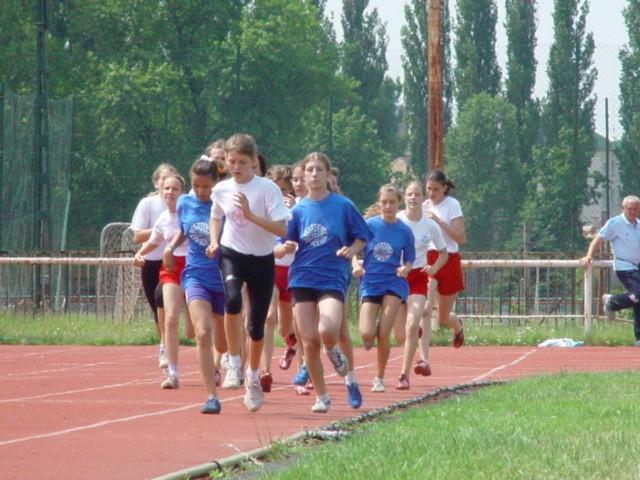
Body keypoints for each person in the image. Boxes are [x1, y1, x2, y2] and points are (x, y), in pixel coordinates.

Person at [207, 133, 291, 413]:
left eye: (242, 162)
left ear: (254, 161)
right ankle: (234, 363)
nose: (237, 167)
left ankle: (253, 378)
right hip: (232, 253)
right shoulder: (221, 189)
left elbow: (281, 230)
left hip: (262, 259)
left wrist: (251, 214)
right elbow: (215, 215)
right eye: (231, 162)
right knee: (231, 301)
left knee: (255, 325)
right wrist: (214, 240)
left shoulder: (267, 189)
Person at [282, 152, 369, 413]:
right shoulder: (297, 211)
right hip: (302, 276)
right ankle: (321, 396)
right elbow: (286, 241)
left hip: (332, 275)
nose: (314, 174)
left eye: (320, 169)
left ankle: (336, 357)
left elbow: (362, 236)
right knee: (307, 340)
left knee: (328, 329)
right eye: (310, 170)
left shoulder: (342, 205)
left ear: (328, 174)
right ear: (303, 175)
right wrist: (283, 246)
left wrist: (352, 251)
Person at [163, 159, 227, 414]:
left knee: (222, 343)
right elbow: (183, 231)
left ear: (215, 184)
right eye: (196, 186)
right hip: (195, 274)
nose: (201, 192)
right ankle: (211, 396)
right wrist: (170, 247)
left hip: (222, 277)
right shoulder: (185, 203)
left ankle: (226, 363)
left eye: (206, 187)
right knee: (202, 332)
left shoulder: (222, 206)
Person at [352, 185, 415, 393]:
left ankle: (379, 377)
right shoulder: (369, 226)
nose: (388, 206)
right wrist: (355, 264)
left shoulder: (404, 230)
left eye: (392, 203)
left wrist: (405, 268)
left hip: (394, 283)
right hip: (371, 282)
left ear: (399, 204)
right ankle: (371, 331)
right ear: (379, 203)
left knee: (384, 333)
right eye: (384, 202)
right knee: (367, 333)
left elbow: (410, 258)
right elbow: (354, 248)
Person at [134, 173, 194, 388]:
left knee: (192, 331)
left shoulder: (190, 214)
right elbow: (153, 241)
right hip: (170, 269)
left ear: (183, 193)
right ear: (160, 192)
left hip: (193, 267)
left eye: (175, 189)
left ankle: (216, 362)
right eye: (166, 189)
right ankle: (173, 373)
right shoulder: (162, 219)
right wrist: (140, 253)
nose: (170, 193)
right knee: (169, 319)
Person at [395, 181, 448, 389]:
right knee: (400, 334)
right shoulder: (397, 221)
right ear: (404, 197)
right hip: (397, 277)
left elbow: (444, 253)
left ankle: (403, 375)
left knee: (411, 325)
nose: (413, 198)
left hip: (417, 277)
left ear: (422, 198)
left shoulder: (430, 225)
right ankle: (411, 336)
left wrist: (433, 268)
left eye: (417, 194)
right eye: (409, 194)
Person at [131, 163, 177, 370]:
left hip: (173, 262)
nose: (168, 188)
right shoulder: (147, 204)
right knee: (156, 306)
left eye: (172, 183)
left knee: (166, 304)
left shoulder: (182, 204)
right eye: (163, 182)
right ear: (157, 183)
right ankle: (164, 345)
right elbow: (137, 236)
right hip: (151, 261)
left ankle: (170, 346)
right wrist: (161, 229)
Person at [580, 195, 640, 346]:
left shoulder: (639, 225)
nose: (632, 212)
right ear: (623, 208)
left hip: (638, 266)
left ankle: (638, 338)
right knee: (639, 293)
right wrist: (588, 256)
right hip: (625, 266)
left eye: (635, 209)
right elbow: (598, 239)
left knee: (638, 300)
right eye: (629, 209)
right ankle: (612, 302)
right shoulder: (615, 223)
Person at [259, 164, 297, 393]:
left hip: (292, 272)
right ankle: (265, 370)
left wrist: (292, 212)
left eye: (285, 190)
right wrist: (276, 249)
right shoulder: (263, 208)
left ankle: (291, 341)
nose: (281, 195)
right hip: (270, 267)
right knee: (269, 317)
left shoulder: (299, 208)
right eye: (277, 190)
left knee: (285, 327)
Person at [420, 169, 465, 352]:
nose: (431, 194)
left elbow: (460, 238)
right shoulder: (423, 206)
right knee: (426, 307)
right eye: (428, 189)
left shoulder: (452, 205)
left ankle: (458, 328)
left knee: (443, 318)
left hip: (449, 258)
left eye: (436, 189)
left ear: (445, 188)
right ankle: (422, 354)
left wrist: (438, 221)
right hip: (430, 257)